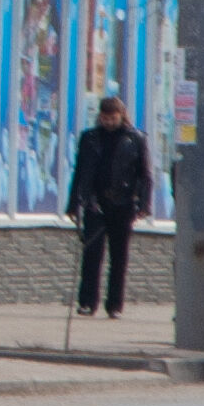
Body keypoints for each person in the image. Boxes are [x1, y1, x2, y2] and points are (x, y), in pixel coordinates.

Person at [67, 93, 152, 318]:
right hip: (95, 203)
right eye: (104, 118)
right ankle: (87, 302)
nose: (108, 122)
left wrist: (144, 203)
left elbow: (145, 175)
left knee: (119, 257)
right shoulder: (90, 138)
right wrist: (74, 202)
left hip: (123, 204)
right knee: (91, 254)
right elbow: (80, 171)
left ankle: (114, 305)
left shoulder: (135, 139)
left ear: (121, 116)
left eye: (112, 118)